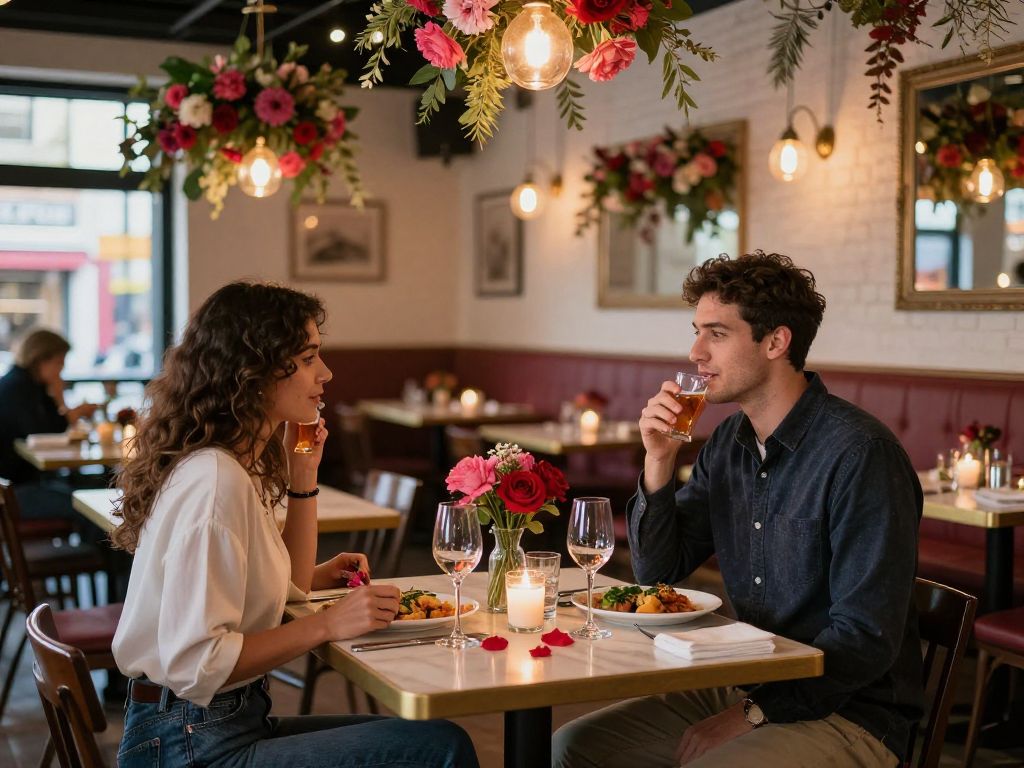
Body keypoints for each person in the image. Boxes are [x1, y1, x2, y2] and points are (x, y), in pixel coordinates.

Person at [552, 252, 923, 768]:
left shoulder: (860, 455)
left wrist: (752, 712)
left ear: (776, 341)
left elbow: (864, 639)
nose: (695, 351)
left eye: (717, 334)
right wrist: (658, 461)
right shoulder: (729, 441)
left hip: (848, 712)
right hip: (748, 677)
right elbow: (657, 573)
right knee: (572, 747)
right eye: (696, 331)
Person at [111, 281, 479, 768]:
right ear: (253, 371)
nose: (325, 373)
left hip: (211, 725)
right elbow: (197, 663)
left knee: (431, 737)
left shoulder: (231, 466)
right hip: (189, 744)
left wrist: (303, 476)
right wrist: (330, 624)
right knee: (440, 749)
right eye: (308, 359)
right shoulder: (215, 480)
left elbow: (290, 587)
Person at [0, 328, 99, 519]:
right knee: (87, 506)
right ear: (40, 360)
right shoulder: (16, 388)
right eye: (59, 363)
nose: (61, 370)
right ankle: (98, 548)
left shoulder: (31, 385)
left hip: (25, 483)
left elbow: (55, 427)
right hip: (13, 492)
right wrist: (69, 407)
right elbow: (40, 435)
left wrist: (59, 397)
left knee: (93, 489)